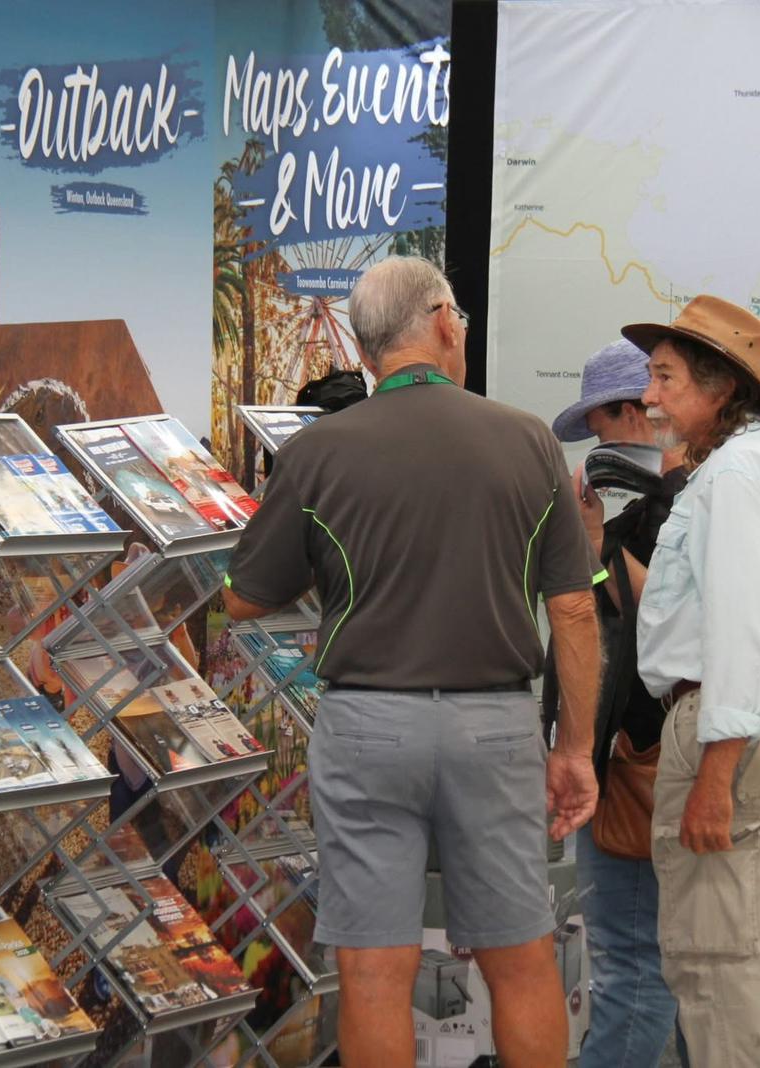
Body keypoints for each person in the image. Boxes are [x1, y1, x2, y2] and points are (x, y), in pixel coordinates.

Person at [221, 255, 602, 1067]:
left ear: (367, 349)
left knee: (372, 969)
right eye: (458, 316)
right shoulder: (529, 441)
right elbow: (572, 607)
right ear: (438, 321)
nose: (461, 328)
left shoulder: (320, 451)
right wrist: (573, 748)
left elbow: (245, 596)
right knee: (523, 957)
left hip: (367, 727)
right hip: (495, 726)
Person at [628, 294, 760, 1067]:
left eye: (664, 376)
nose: (649, 396)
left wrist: (718, 774)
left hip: (735, 720)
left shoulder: (739, 474)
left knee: (720, 951)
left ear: (721, 388)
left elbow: (745, 625)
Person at [551, 338, 688, 1068]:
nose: (599, 441)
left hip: (639, 753)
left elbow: (654, 621)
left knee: (634, 964)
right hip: (658, 752)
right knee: (688, 968)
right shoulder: (704, 494)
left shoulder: (672, 509)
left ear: (633, 410)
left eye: (602, 422)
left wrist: (593, 550)